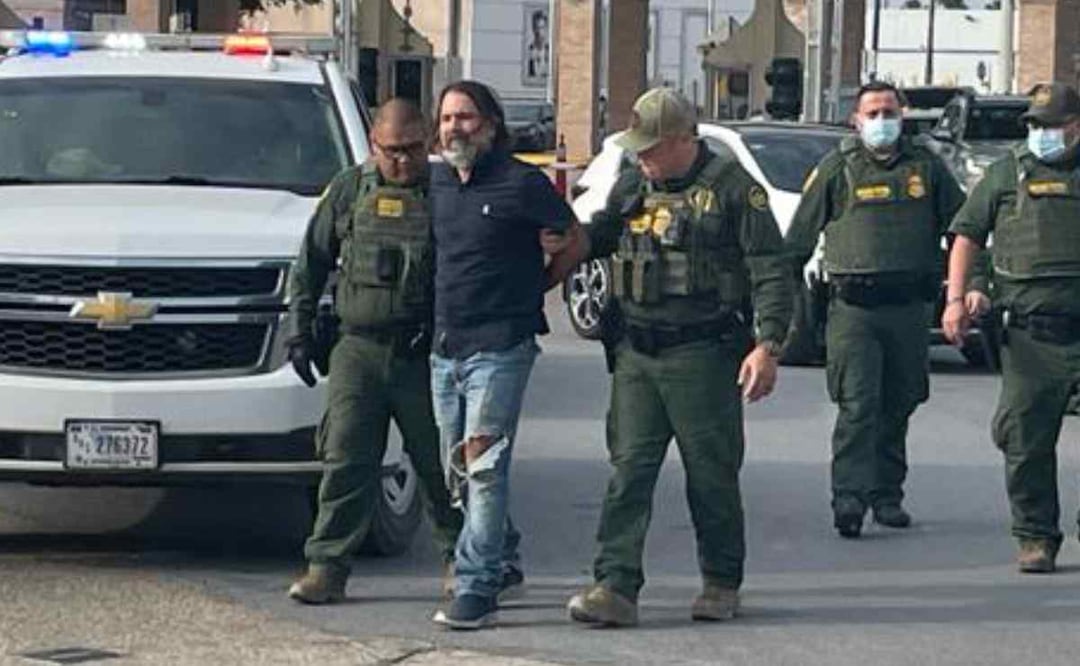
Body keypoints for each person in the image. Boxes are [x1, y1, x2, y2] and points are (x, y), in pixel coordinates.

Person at [564, 87, 793, 627]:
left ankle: (720, 582)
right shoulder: (633, 183)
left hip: (703, 354)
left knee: (710, 475)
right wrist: (565, 239)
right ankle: (614, 586)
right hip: (637, 354)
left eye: (650, 146)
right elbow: (602, 235)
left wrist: (768, 344)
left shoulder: (735, 191)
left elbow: (770, 270)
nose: (641, 157)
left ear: (681, 140)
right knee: (629, 472)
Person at [286, 99, 462, 604]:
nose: (400, 161)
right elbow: (309, 265)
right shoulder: (348, 191)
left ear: (428, 144)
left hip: (422, 352)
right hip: (357, 348)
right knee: (345, 458)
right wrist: (298, 332)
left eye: (410, 150)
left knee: (438, 464)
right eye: (390, 151)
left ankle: (459, 558)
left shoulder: (446, 193)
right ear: (373, 146)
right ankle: (327, 566)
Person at [428, 80, 584, 630]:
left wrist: (540, 283)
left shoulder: (522, 183)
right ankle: (505, 552)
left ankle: (478, 585)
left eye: (465, 118)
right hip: (445, 349)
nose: (454, 128)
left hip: (501, 347)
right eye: (447, 118)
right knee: (457, 466)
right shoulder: (438, 182)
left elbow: (574, 236)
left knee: (484, 467)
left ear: (490, 125)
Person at [786, 81, 966, 538]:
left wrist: (965, 291)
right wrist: (777, 306)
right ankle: (849, 497)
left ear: (902, 115)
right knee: (858, 405)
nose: (882, 121)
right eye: (873, 113)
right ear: (856, 120)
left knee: (900, 401)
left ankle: (887, 494)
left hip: (909, 308)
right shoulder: (837, 169)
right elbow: (797, 241)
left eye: (889, 111)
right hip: (854, 311)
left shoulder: (926, 167)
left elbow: (964, 229)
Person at [944, 82, 1080, 573]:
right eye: (1035, 126)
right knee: (1025, 440)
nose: (1041, 134)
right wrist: (957, 298)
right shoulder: (1007, 173)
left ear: (1075, 126)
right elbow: (966, 236)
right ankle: (1035, 534)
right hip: (1031, 333)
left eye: (1051, 125)